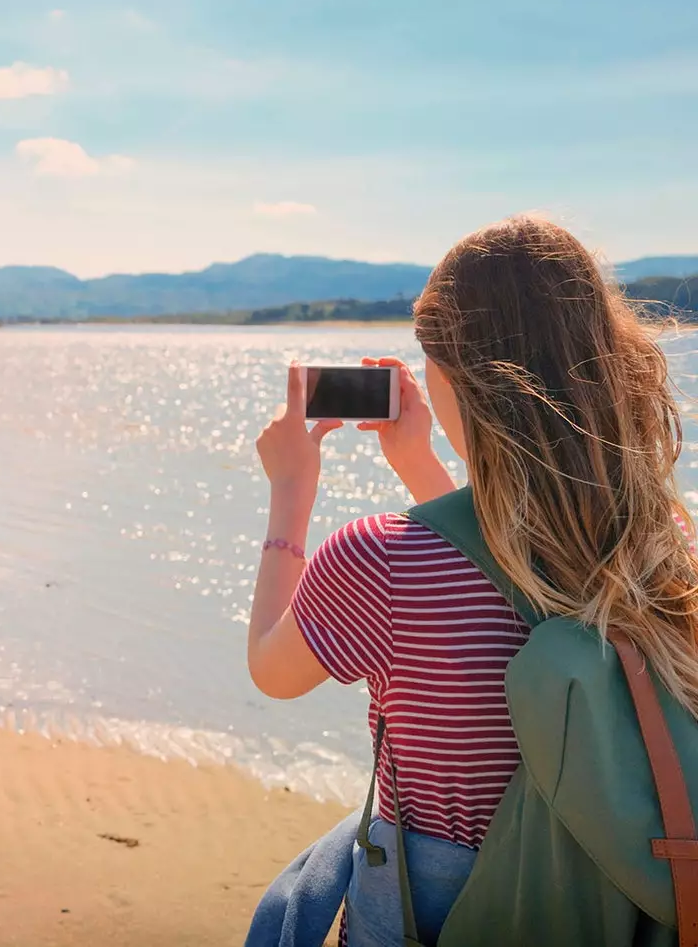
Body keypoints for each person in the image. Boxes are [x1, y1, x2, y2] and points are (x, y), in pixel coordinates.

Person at [244, 215, 698, 946]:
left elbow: (272, 667)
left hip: (435, 906)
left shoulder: (382, 561)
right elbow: (508, 565)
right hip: (607, 901)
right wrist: (422, 467)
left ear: (451, 372)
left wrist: (291, 491)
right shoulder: (658, 540)